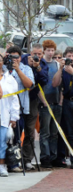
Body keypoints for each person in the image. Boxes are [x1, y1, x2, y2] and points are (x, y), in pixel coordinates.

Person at [0, 52, 20, 177]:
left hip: (4, 115)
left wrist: (14, 117)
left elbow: (14, 99)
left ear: (3, 62)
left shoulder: (10, 79)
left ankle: (1, 165)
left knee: (2, 141)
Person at [4, 46, 34, 170]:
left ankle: (14, 163)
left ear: (20, 57)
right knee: (3, 137)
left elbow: (29, 85)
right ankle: (1, 163)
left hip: (20, 108)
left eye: (16, 57)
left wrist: (18, 70)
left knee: (17, 136)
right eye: (11, 57)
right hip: (4, 108)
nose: (14, 60)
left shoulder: (26, 69)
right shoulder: (2, 68)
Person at [22, 43, 48, 168]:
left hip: (32, 99)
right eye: (34, 54)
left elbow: (44, 80)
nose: (36, 56)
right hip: (19, 98)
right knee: (16, 129)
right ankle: (12, 158)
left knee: (30, 130)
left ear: (42, 55)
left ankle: (27, 158)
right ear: (30, 53)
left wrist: (37, 68)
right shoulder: (23, 60)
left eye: (39, 54)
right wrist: (28, 64)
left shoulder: (43, 65)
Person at [39, 39, 63, 169]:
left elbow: (60, 84)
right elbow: (38, 85)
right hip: (45, 102)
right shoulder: (41, 64)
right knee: (45, 132)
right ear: (44, 51)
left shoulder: (57, 65)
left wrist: (60, 101)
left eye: (52, 50)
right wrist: (43, 102)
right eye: (48, 50)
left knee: (54, 132)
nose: (50, 52)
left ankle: (54, 157)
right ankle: (45, 157)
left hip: (55, 101)